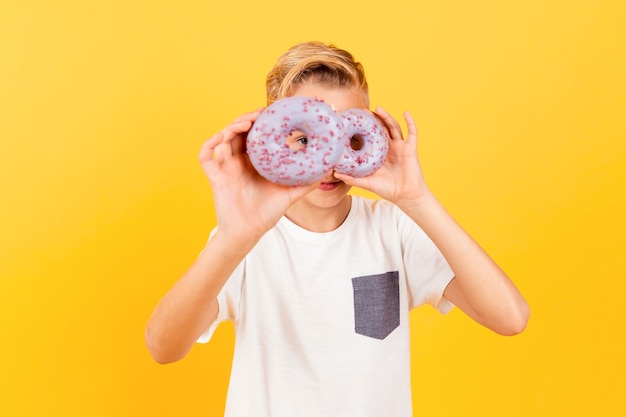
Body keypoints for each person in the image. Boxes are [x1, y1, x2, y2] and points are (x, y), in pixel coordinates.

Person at [145, 41, 530, 417]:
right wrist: (233, 239)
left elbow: (510, 318)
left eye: (346, 137)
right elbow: (164, 347)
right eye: (304, 139)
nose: (329, 161)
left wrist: (417, 199)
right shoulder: (246, 241)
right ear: (273, 136)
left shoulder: (393, 230)